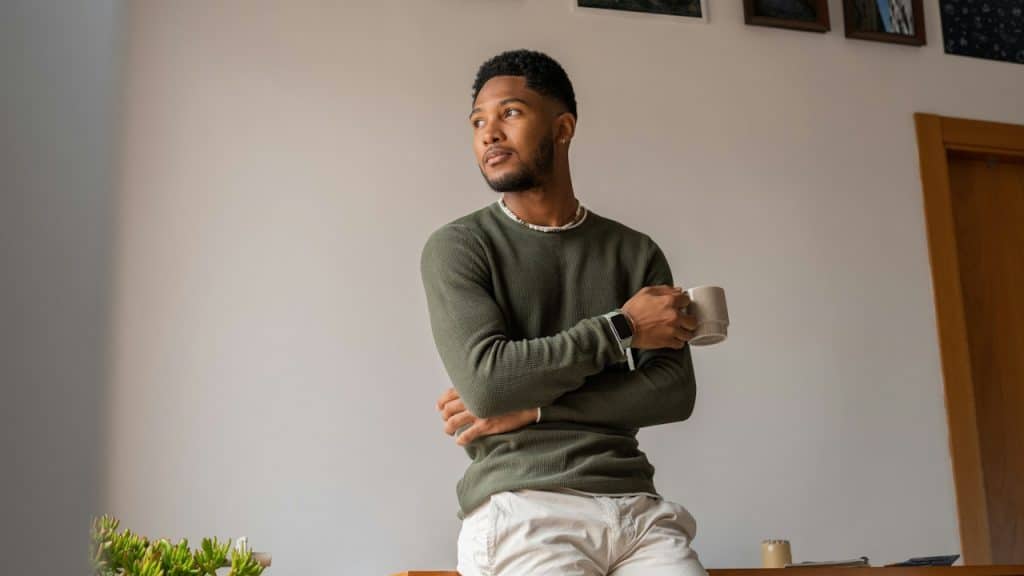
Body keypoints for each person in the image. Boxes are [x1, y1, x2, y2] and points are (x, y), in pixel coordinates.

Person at [420, 49, 706, 576]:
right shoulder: (460, 247)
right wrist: (624, 327)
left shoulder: (635, 252)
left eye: (509, 113)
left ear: (563, 126)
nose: (489, 134)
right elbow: (488, 385)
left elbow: (674, 392)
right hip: (523, 507)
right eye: (478, 122)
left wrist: (536, 409)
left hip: (638, 510)